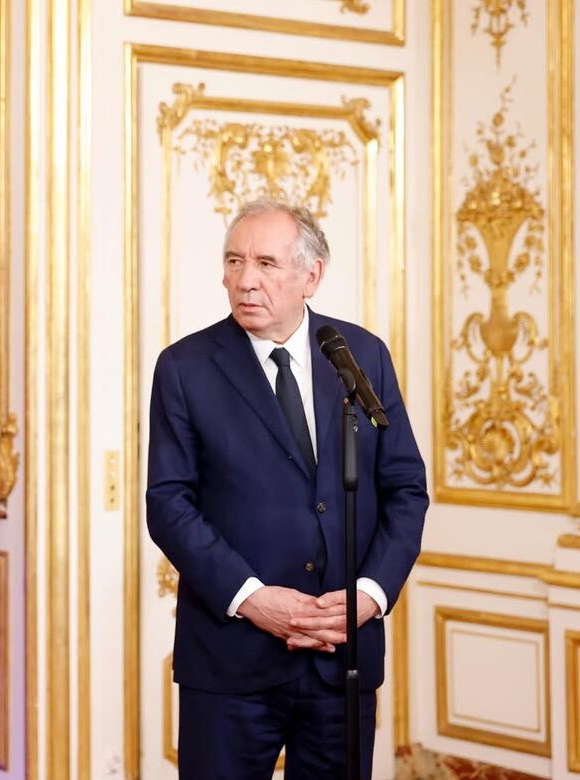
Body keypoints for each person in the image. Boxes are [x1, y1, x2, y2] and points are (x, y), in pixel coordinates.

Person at [145, 199, 427, 778]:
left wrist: (370, 594)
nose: (245, 279)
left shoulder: (361, 355)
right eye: (235, 261)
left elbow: (405, 489)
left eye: (266, 263)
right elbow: (168, 503)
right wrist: (253, 599)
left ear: (311, 276)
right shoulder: (185, 366)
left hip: (342, 658)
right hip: (230, 662)